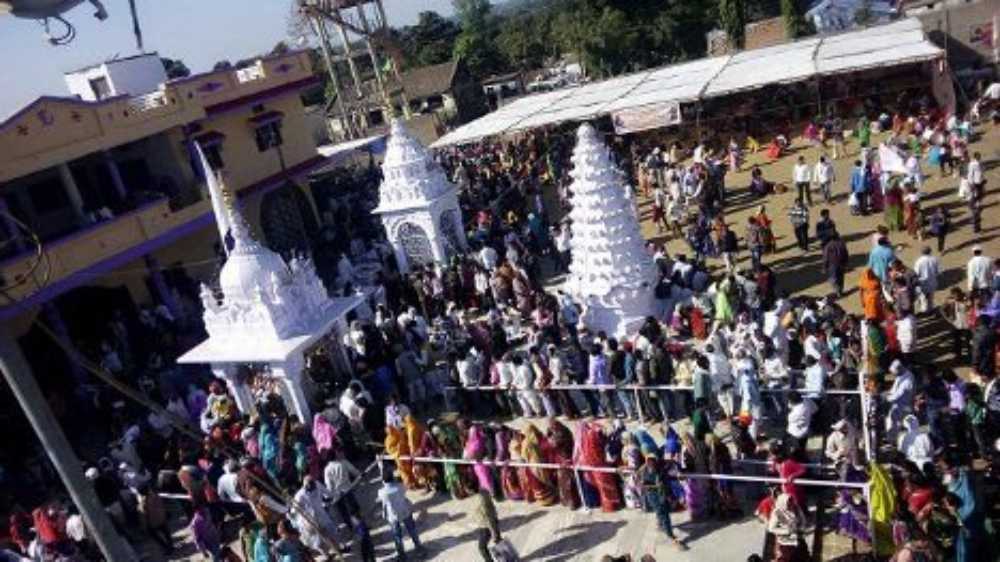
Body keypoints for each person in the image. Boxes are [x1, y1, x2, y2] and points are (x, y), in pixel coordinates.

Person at [637, 454, 687, 550]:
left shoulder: (661, 467)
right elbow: (640, 483)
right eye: (649, 463)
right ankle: (671, 536)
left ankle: (663, 526)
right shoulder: (643, 471)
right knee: (663, 514)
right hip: (652, 496)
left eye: (653, 463)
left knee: (664, 513)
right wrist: (646, 485)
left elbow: (672, 462)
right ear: (646, 463)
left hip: (662, 495)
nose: (651, 465)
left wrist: (679, 470)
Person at [377, 471, 424, 561]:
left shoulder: (382, 492)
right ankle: (419, 548)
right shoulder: (400, 486)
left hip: (393, 516)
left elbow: (382, 502)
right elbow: (404, 489)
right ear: (392, 478)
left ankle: (402, 556)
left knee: (397, 536)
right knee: (412, 531)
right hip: (405, 511)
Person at [767, 493, 806, 562]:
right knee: (787, 558)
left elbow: (803, 519)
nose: (791, 505)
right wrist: (786, 531)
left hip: (798, 537)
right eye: (788, 503)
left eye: (791, 502)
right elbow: (771, 528)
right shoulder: (777, 513)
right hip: (785, 541)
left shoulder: (796, 507)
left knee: (801, 556)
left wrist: (801, 527)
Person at [475, 488, 503, 562]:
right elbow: (492, 506)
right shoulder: (483, 491)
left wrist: (493, 531)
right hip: (491, 521)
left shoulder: (479, 500)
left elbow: (488, 517)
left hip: (485, 526)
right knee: (499, 542)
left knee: (482, 547)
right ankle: (507, 557)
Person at [913, 247, 940, 313]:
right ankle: (930, 309)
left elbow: (916, 273)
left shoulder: (919, 261)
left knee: (923, 298)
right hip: (932, 281)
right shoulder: (934, 259)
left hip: (922, 282)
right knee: (931, 297)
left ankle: (924, 310)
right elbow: (938, 271)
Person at [822, 231, 849, 297]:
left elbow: (826, 257)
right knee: (841, 278)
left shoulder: (828, 246)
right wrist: (846, 263)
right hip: (841, 263)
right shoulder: (842, 243)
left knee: (833, 278)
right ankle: (840, 290)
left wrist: (824, 267)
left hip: (832, 264)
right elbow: (846, 254)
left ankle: (837, 291)